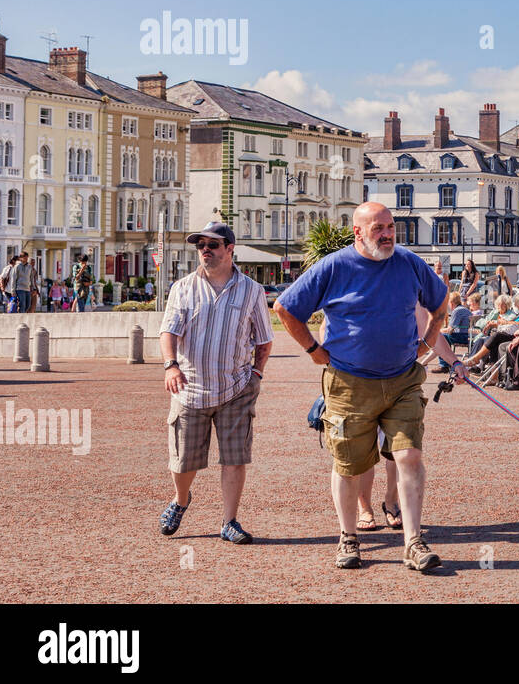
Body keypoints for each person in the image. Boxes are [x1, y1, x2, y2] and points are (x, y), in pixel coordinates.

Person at [275, 201, 463, 572]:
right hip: (348, 382)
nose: (388, 234)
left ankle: (412, 541)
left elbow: (440, 304)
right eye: (378, 228)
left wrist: (426, 344)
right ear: (358, 232)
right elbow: (285, 308)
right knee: (348, 465)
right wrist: (314, 350)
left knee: (409, 456)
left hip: (403, 380)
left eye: (390, 226)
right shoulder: (334, 266)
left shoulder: (409, 263)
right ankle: (348, 537)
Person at [158, 221, 274, 544]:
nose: (205, 250)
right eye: (200, 246)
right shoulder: (182, 288)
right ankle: (181, 499)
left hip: (236, 388)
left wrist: (257, 374)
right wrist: (170, 366)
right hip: (189, 387)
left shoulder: (251, 290)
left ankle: (229, 521)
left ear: (229, 249)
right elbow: (168, 332)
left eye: (213, 244)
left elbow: (264, 340)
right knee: (182, 461)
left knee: (235, 458)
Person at [464, 291, 519, 373]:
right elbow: (484, 323)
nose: (515, 305)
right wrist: (494, 321)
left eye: (517, 303)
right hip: (510, 333)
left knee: (494, 337)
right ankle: (474, 363)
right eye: (498, 304)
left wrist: (499, 323)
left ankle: (479, 362)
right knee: (481, 340)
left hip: (514, 334)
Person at [433, 292, 477, 374]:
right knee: (443, 336)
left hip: (462, 337)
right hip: (468, 336)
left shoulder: (457, 311)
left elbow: (450, 330)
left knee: (442, 337)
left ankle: (444, 365)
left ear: (451, 303)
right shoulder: (464, 309)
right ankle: (444, 363)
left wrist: (437, 330)